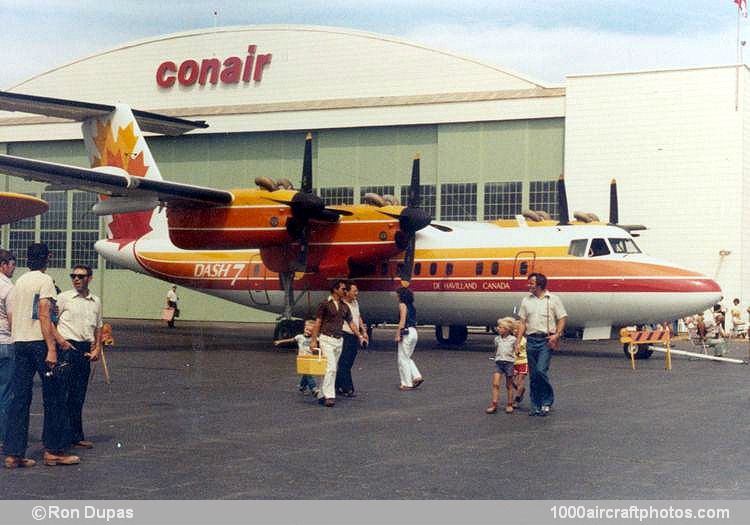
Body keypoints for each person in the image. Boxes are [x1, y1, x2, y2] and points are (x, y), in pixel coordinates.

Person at [4, 243, 78, 468]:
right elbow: (44, 314)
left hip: (20, 343)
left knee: (20, 399)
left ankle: (14, 454)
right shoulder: (45, 281)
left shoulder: (19, 283)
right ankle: (53, 451)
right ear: (49, 258)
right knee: (54, 397)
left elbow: (18, 316)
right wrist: (53, 348)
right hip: (39, 344)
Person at [57, 264, 103, 449]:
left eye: (81, 276)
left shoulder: (96, 301)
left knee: (78, 396)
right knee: (63, 394)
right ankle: (59, 437)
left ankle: (76, 436)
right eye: (73, 276)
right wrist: (60, 342)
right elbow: (51, 322)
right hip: (66, 348)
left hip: (84, 350)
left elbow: (99, 326)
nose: (76, 279)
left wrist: (97, 348)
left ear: (89, 278)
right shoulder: (63, 298)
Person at [516, 272, 567, 417]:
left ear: (539, 284)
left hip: (546, 341)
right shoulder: (526, 301)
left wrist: (557, 335)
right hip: (531, 340)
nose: (528, 286)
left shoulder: (553, 299)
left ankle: (546, 401)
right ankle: (535, 405)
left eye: (531, 283)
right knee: (533, 375)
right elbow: (522, 322)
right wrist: (518, 340)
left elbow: (562, 317)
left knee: (541, 371)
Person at [310, 280, 365, 407]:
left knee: (329, 369)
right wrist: (313, 340)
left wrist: (360, 336)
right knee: (332, 368)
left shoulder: (344, 306)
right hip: (326, 339)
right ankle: (330, 396)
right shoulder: (324, 304)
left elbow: (351, 323)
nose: (345, 291)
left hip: (338, 340)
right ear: (335, 290)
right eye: (343, 289)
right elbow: (318, 322)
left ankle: (321, 394)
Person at [336, 281, 368, 397]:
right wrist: (359, 335)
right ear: (347, 292)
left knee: (349, 361)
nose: (357, 293)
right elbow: (350, 323)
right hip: (345, 334)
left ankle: (337, 385)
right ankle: (347, 388)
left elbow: (358, 317)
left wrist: (364, 331)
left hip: (353, 335)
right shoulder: (342, 305)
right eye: (354, 291)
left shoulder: (355, 302)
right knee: (344, 361)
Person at [274, 319, 320, 398]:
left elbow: (322, 342)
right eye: (307, 329)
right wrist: (280, 341)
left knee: (306, 374)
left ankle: (302, 386)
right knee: (308, 374)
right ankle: (314, 388)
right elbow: (291, 340)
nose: (308, 332)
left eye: (310, 331)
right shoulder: (299, 337)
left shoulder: (314, 338)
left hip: (310, 359)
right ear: (304, 328)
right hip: (301, 359)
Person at [0, 249, 17, 442]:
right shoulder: (8, 287)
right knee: (5, 392)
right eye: (12, 264)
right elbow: (12, 318)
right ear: (4, 265)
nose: (14, 268)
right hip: (4, 342)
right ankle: (4, 437)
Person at [485, 317, 517, 414]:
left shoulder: (513, 339)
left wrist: (517, 364)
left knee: (509, 385)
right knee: (495, 384)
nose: (498, 329)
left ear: (507, 329)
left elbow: (516, 351)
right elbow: (496, 349)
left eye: (500, 327)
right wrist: (495, 357)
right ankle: (494, 404)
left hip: (509, 363)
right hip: (498, 363)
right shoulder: (497, 339)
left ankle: (510, 404)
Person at [395, 285, 423, 391]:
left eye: (397, 295)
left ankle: (407, 383)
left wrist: (398, 333)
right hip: (413, 331)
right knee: (407, 357)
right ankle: (416, 376)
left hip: (406, 332)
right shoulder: (412, 306)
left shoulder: (402, 305)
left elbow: (402, 320)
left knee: (402, 359)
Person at [512, 320, 528, 409]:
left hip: (523, 362)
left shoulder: (524, 341)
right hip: (514, 362)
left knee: (520, 381)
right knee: (511, 381)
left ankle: (517, 399)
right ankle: (521, 390)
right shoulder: (511, 340)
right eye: (513, 329)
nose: (514, 331)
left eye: (516, 329)